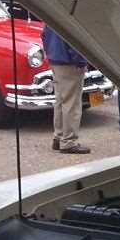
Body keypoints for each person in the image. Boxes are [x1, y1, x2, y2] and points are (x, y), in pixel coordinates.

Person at [42, 25, 91, 154]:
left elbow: (43, 35)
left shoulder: (52, 16)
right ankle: (68, 141)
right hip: (69, 63)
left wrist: (50, 54)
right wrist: (81, 62)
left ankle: (58, 137)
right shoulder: (69, 18)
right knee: (72, 103)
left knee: (60, 101)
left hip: (56, 61)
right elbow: (76, 43)